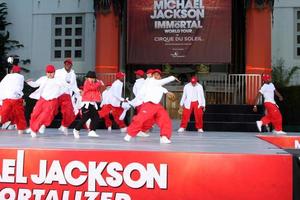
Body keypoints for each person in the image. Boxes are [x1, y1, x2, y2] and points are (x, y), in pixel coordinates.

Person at [124, 69, 178, 144]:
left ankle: (164, 137)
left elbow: (160, 87)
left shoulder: (157, 84)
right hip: (148, 104)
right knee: (140, 119)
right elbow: (159, 83)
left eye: (158, 75)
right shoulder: (150, 80)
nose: (156, 76)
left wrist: (167, 92)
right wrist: (172, 77)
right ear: (152, 76)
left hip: (157, 106)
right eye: (155, 74)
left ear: (160, 76)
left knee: (165, 119)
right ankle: (129, 134)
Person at [28, 65, 67, 137]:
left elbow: (66, 87)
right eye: (48, 72)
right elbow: (35, 84)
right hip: (42, 99)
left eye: (51, 72)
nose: (50, 74)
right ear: (46, 73)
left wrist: (58, 94)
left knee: (44, 116)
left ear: (54, 73)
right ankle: (32, 126)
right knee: (34, 114)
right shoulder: (43, 79)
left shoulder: (58, 80)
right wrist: (30, 82)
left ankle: (34, 129)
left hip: (51, 101)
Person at [73, 71, 102, 139]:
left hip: (91, 104)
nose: (92, 79)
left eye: (93, 78)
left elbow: (95, 91)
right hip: (86, 104)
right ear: (87, 78)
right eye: (90, 78)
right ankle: (76, 130)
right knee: (85, 119)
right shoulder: (87, 83)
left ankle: (92, 131)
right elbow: (92, 88)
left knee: (96, 117)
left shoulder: (93, 84)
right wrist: (99, 83)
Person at [55, 58, 80, 135]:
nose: (67, 65)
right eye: (66, 64)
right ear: (64, 64)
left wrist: (79, 92)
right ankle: (40, 125)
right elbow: (52, 79)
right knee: (51, 110)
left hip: (67, 95)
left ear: (71, 65)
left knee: (69, 113)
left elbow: (74, 86)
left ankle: (64, 126)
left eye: (69, 64)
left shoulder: (73, 74)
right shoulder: (58, 72)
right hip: (57, 94)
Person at [0, 65, 27, 134]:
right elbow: (19, 87)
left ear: (12, 71)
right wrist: (21, 96)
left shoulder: (7, 76)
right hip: (15, 98)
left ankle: (2, 120)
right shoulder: (21, 77)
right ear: (19, 72)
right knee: (19, 114)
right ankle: (21, 129)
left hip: (7, 98)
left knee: (4, 113)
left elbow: (1, 85)